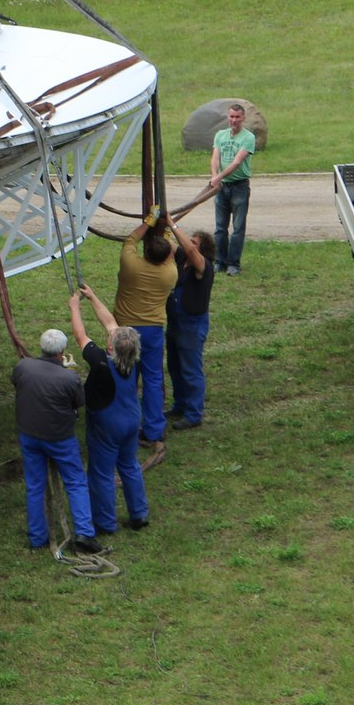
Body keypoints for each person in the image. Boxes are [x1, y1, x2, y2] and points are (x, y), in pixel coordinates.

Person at [9, 329, 100, 554]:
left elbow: (17, 384)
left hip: (29, 435)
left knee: (35, 486)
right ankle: (84, 533)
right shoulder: (69, 378)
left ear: (42, 347)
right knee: (75, 482)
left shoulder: (23, 367)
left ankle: (37, 537)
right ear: (62, 351)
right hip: (60, 439)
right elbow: (78, 403)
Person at [70, 287, 150, 534]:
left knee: (101, 473)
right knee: (130, 465)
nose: (110, 334)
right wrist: (92, 296)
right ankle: (139, 514)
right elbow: (111, 324)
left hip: (107, 424)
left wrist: (74, 307)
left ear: (112, 348)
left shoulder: (101, 362)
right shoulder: (132, 359)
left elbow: (80, 336)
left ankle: (105, 523)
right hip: (131, 419)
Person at [114, 213, 179, 457]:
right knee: (152, 379)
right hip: (152, 330)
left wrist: (148, 221)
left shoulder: (129, 264)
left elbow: (130, 240)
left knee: (125, 377)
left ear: (146, 252)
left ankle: (125, 426)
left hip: (124, 329)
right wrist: (168, 231)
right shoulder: (169, 274)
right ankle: (153, 430)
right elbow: (170, 254)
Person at [165, 229, 216, 430]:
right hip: (175, 323)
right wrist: (159, 223)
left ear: (202, 250)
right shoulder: (181, 258)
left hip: (192, 326)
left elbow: (191, 251)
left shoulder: (204, 266)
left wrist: (172, 224)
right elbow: (168, 244)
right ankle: (180, 405)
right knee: (175, 366)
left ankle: (194, 414)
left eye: (194, 242)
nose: (189, 244)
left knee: (190, 370)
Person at [210, 102, 256, 276]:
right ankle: (219, 261)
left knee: (238, 227)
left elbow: (237, 162)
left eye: (237, 117)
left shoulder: (248, 138)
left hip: (239, 186)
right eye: (231, 116)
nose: (234, 120)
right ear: (227, 117)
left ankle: (233, 264)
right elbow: (215, 158)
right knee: (220, 227)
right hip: (222, 187)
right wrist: (215, 176)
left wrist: (218, 177)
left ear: (243, 118)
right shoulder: (220, 135)